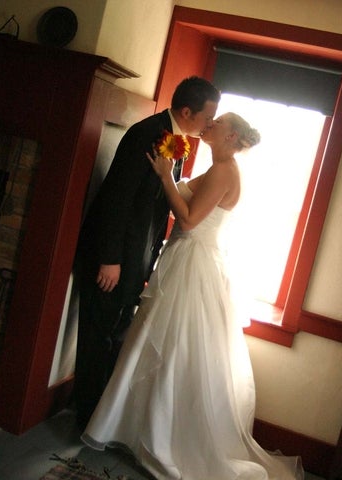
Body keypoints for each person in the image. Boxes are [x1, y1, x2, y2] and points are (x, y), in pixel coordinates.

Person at [81, 112, 304, 480]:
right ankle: (142, 432)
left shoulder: (224, 170)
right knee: (163, 345)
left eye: (218, 123)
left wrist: (166, 176)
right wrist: (169, 169)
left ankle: (161, 438)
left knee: (175, 349)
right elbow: (184, 195)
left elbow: (186, 219)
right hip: (185, 258)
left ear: (230, 136)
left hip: (193, 264)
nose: (210, 125)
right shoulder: (218, 165)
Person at [73, 77, 221, 430]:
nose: (210, 124)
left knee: (114, 335)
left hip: (137, 258)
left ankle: (101, 415)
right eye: (208, 117)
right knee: (97, 336)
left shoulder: (176, 141)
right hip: (114, 257)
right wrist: (110, 258)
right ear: (187, 112)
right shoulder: (146, 134)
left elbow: (155, 208)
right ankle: (87, 418)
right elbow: (117, 198)